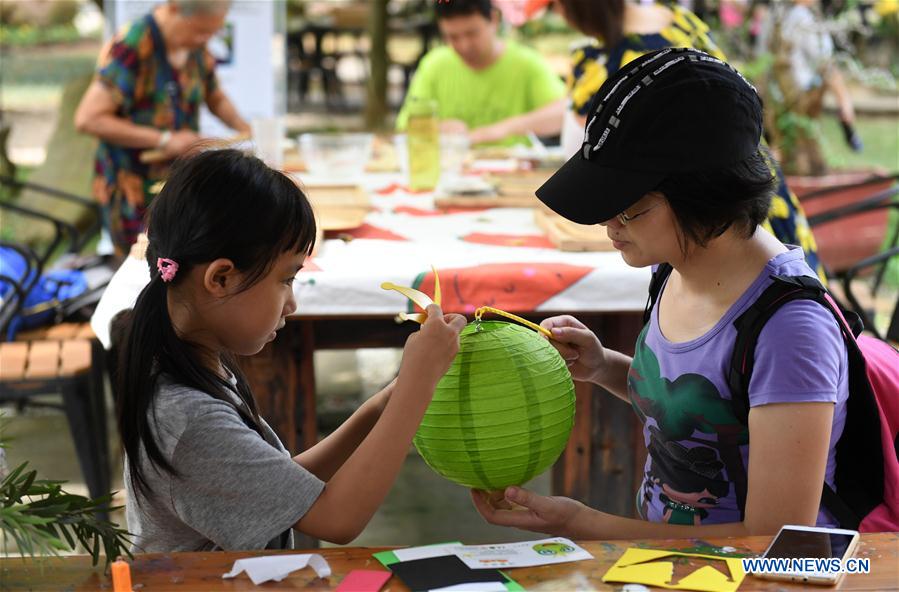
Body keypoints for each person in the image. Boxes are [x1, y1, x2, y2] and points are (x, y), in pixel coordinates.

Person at [471, 48, 849, 538]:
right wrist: (604, 366)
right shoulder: (676, 266)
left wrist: (585, 525)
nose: (609, 224)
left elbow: (778, 542)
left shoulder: (789, 331)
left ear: (707, 196)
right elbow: (708, 412)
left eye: (630, 210)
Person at [117, 149, 466, 551]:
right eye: (286, 279)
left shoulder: (192, 366)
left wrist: (384, 402)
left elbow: (282, 490)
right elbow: (337, 518)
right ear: (221, 278)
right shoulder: (187, 418)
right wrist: (417, 386)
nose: (292, 303)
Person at [524, 0, 826, 280]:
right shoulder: (679, 21)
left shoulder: (600, 61)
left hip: (699, 216)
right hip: (747, 189)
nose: (559, 14)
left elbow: (581, 141)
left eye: (556, 4)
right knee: (778, 281)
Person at [74, 0, 250, 256]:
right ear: (174, 8)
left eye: (212, 32)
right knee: (142, 268)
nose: (205, 39)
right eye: (200, 30)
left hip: (177, 182)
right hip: (131, 188)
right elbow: (88, 118)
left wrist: (246, 129)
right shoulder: (133, 45)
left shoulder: (196, 46)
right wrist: (164, 139)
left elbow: (215, 96)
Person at [395, 0, 566, 146]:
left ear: (494, 20)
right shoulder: (434, 64)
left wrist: (501, 129)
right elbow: (404, 128)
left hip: (514, 175)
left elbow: (565, 112)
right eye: (453, 37)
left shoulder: (526, 62)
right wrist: (437, 127)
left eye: (472, 33)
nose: (464, 45)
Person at [757, 0, 863, 176]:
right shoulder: (803, 18)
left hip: (776, 97)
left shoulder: (773, 16)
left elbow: (761, 57)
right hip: (798, 95)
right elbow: (825, 61)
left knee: (781, 148)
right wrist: (843, 98)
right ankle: (847, 117)